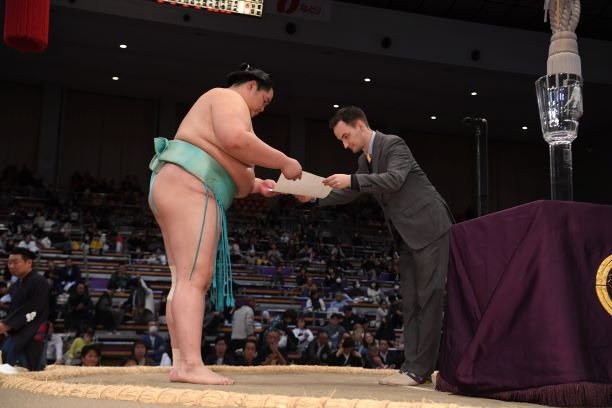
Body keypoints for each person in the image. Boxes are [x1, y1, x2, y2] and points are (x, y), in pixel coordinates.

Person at [148, 63, 302, 385]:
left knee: (182, 280)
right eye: (265, 100)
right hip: (191, 185)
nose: (262, 108)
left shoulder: (216, 105)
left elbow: (230, 159)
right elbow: (235, 140)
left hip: (177, 183)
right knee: (195, 278)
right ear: (251, 86)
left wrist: (256, 184)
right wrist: (284, 161)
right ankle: (191, 364)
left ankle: (181, 362)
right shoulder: (228, 98)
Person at [299, 106, 453, 386]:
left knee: (428, 299)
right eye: (341, 141)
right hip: (406, 234)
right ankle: (411, 367)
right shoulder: (365, 161)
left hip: (429, 227)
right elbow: (348, 192)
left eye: (346, 137)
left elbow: (393, 179)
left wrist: (352, 179)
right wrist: (314, 196)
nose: (346, 145)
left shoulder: (394, 144)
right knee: (410, 301)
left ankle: (420, 370)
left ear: (360, 125)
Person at [0, 248, 50, 371]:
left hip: (32, 332)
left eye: (15, 262)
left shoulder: (39, 281)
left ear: (29, 263)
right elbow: (15, 309)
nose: (11, 266)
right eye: (9, 263)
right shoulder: (17, 284)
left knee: (28, 371)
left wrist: (8, 324)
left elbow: (34, 307)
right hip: (17, 332)